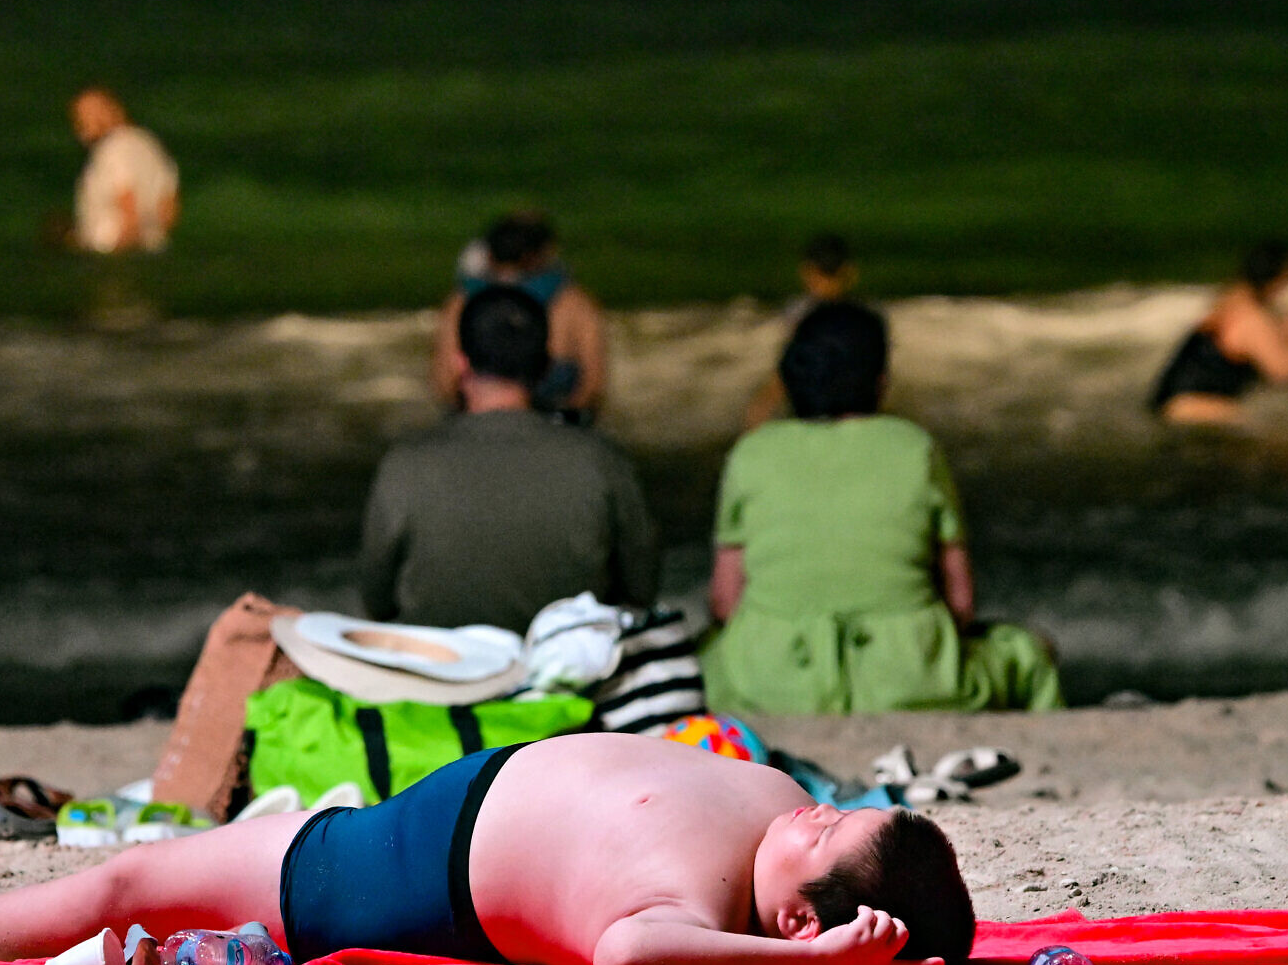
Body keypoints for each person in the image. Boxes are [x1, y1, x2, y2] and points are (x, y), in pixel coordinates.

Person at [0, 731, 974, 965]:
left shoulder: (694, 906)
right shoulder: (768, 797)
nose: (811, 812)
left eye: (826, 835)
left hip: (408, 876)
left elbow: (625, 959)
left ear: (803, 924)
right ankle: (134, 955)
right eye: (837, 809)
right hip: (431, 809)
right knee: (151, 880)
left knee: (132, 875)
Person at [702, 301, 1060, 715]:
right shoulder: (913, 448)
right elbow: (961, 602)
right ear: (880, 379)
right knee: (1028, 656)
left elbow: (726, 603)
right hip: (909, 677)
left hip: (772, 680)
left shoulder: (753, 453)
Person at [364, 285, 658, 633]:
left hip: (440, 677)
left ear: (460, 361)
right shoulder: (601, 461)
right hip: (566, 678)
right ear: (547, 365)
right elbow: (640, 590)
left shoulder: (405, 465)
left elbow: (378, 600)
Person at [429, 210, 609, 418]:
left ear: (489, 253)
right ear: (542, 254)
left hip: (480, 425)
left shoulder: (461, 303)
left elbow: (444, 383)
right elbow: (593, 383)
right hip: (554, 430)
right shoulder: (573, 304)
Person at [1149, 241, 1288, 424]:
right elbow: (1284, 374)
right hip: (1195, 406)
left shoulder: (1227, 299)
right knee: (1276, 430)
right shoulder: (1251, 317)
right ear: (1278, 279)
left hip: (1169, 401)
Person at [743, 232, 860, 431]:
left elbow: (791, 368)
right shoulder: (866, 315)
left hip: (813, 410)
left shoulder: (800, 311)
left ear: (808, 272)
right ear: (849, 272)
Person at [68, 87, 180, 254]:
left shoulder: (113, 147)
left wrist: (122, 256)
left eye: (92, 112)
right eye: (80, 115)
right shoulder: (149, 144)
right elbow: (169, 209)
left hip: (113, 251)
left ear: (116, 110)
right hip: (152, 248)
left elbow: (128, 200)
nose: (84, 122)